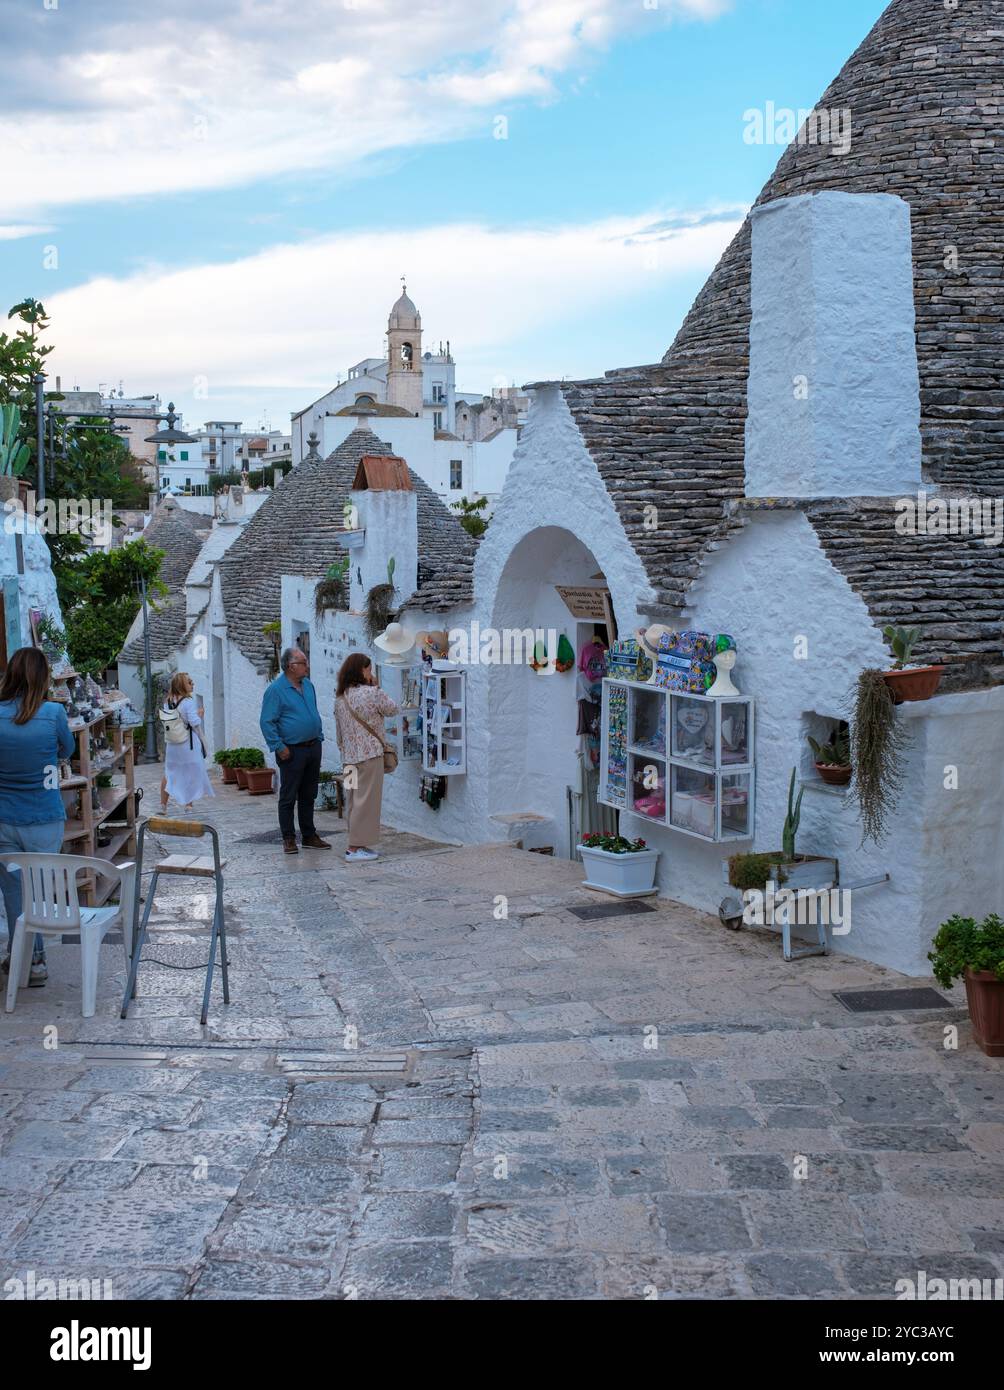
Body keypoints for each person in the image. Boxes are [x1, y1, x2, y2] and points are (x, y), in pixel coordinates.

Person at [0, 646, 76, 987]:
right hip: (44, 818)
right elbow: (67, 750)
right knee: (39, 892)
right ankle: (36, 959)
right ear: (43, 677)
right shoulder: (54, 714)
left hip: (4, 817)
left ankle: (26, 959)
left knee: (14, 891)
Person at [259, 647, 330, 855]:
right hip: (291, 751)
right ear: (291, 666)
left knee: (309, 793)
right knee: (289, 795)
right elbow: (266, 722)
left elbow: (313, 712)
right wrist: (279, 747)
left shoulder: (308, 685)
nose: (307, 666)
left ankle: (309, 835)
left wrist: (318, 736)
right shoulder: (276, 690)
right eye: (303, 662)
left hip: (312, 746)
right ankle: (289, 838)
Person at [334, 652, 398, 862]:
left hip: (349, 759)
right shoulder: (371, 693)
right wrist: (376, 685)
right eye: (369, 669)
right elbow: (393, 709)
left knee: (353, 800)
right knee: (366, 802)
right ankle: (354, 848)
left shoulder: (341, 698)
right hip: (369, 757)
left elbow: (339, 732)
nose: (371, 673)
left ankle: (356, 843)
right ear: (361, 670)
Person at [159, 671, 214, 812]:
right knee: (190, 772)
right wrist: (200, 714)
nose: (192, 684)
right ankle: (188, 805)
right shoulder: (188, 702)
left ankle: (163, 805)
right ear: (182, 685)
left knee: (169, 772)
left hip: (172, 743)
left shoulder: (168, 701)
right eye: (189, 682)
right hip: (187, 743)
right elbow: (194, 722)